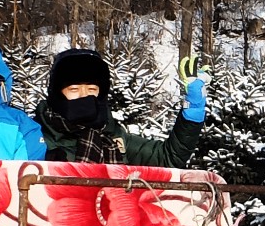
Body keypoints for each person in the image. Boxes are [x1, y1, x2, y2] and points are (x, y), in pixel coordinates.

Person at [34, 47, 207, 167]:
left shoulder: (115, 138)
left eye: (92, 89)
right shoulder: (36, 137)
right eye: (74, 89)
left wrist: (192, 111)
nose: (84, 95)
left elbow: (168, 158)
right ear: (57, 93)